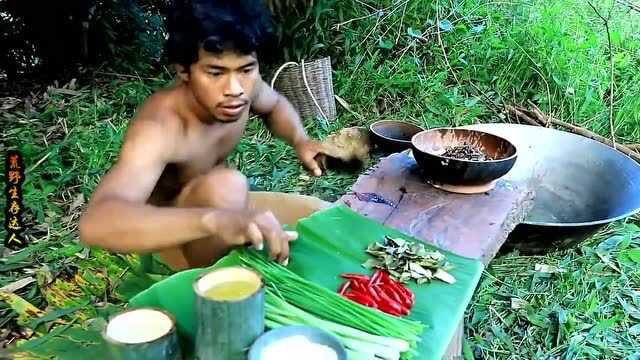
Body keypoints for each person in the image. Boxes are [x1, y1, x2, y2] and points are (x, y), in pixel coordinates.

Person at [78, 0, 324, 270]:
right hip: (172, 237)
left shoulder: (245, 87)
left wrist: (300, 139)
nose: (234, 89)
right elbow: (97, 223)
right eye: (215, 72)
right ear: (184, 70)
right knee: (227, 185)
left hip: (223, 211)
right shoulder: (160, 128)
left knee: (320, 216)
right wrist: (213, 220)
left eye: (245, 69)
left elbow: (275, 105)